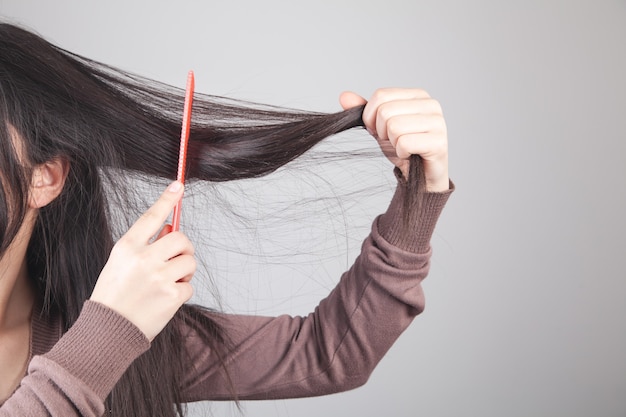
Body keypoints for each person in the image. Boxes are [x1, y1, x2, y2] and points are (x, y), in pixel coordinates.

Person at [0, 22, 453, 416]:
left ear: (46, 177)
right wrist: (106, 335)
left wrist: (419, 192)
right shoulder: (110, 331)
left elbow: (327, 354)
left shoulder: (117, 332)